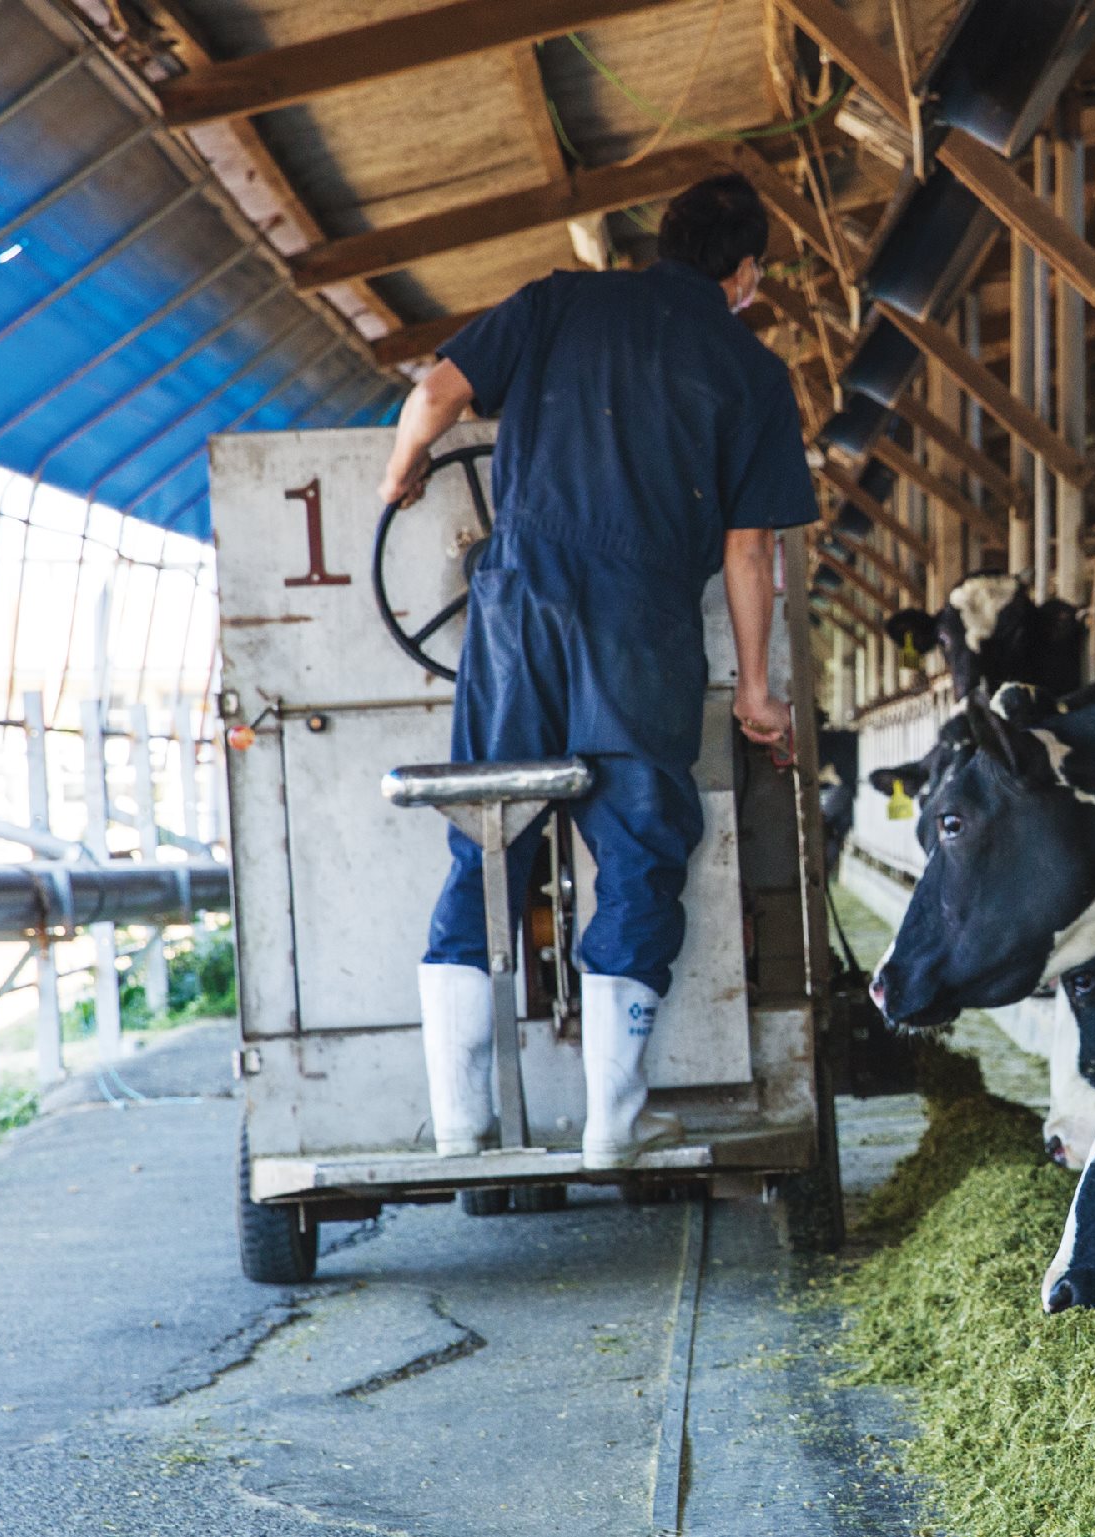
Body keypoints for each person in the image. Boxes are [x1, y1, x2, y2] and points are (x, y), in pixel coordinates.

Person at [375, 172, 814, 1170]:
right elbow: (751, 554)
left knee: (487, 838)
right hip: (641, 626)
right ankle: (614, 1122)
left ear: (660, 242)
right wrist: (754, 690)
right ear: (741, 273)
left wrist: (402, 472)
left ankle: (459, 1120)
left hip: (516, 610)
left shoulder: (553, 301)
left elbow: (434, 393)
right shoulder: (749, 370)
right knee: (640, 847)